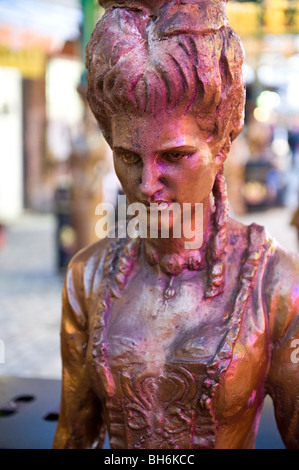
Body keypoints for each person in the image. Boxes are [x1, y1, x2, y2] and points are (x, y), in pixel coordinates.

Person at [53, 0, 299, 449]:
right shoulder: (87, 278)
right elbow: (74, 436)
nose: (147, 185)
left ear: (222, 144)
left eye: (174, 156)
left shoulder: (276, 285)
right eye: (128, 157)